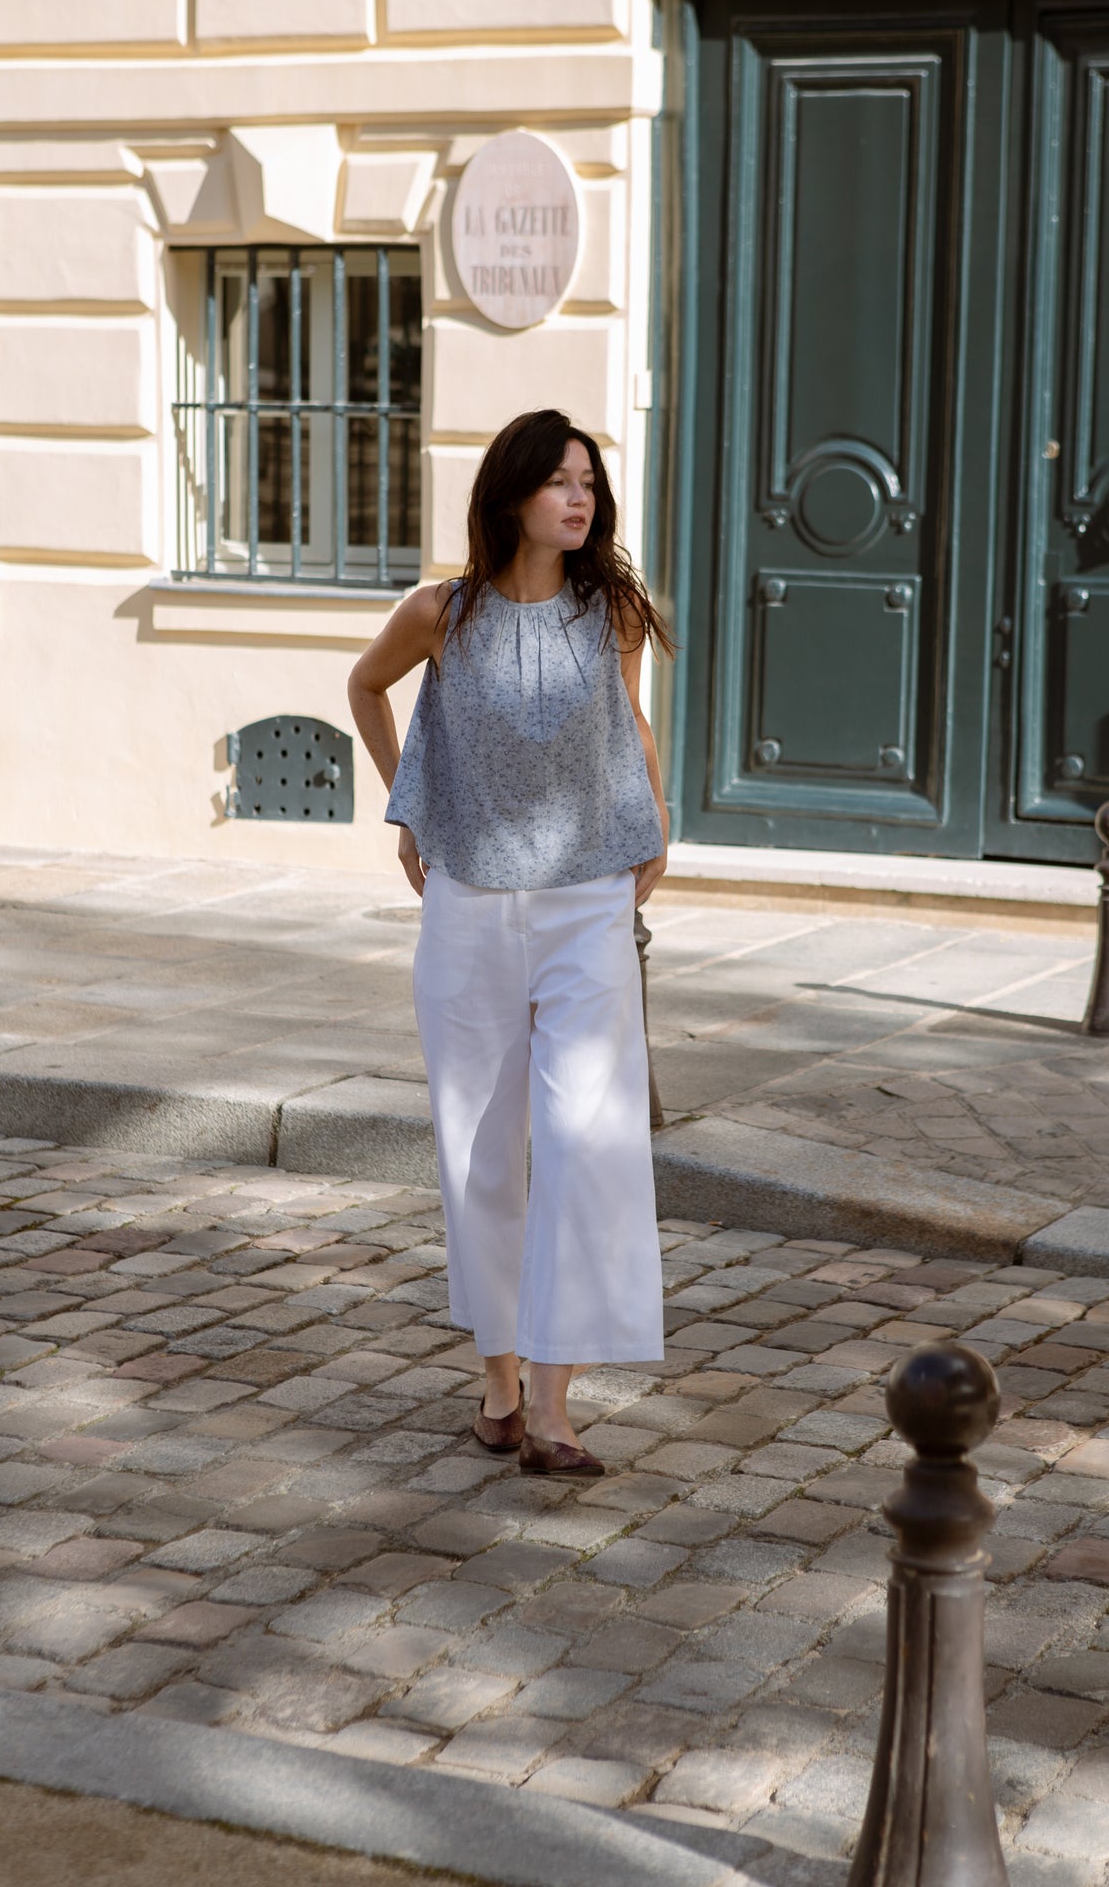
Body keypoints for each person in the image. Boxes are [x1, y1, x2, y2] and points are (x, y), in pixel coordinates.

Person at [347, 406, 673, 1476]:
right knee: (478, 1152)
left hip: (585, 902)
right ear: (511, 494)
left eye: (588, 482)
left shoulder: (611, 605)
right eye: (559, 482)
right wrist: (411, 804)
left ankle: (554, 1402)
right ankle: (496, 1385)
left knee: (585, 1145)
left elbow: (627, 721)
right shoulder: (442, 610)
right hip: (471, 908)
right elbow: (363, 684)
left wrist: (654, 817)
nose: (578, 498)